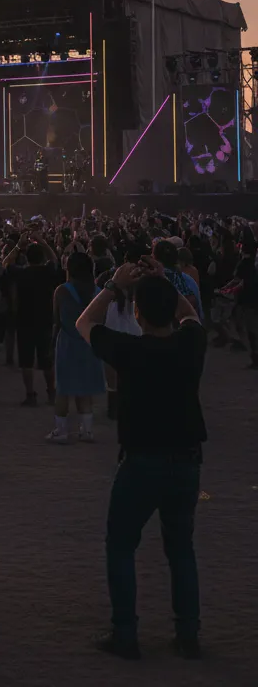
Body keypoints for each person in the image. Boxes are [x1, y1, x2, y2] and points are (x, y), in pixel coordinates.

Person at [76, 259, 206, 661]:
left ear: (137, 313)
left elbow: (84, 323)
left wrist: (114, 286)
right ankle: (188, 635)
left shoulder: (129, 349)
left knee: (120, 545)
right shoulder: (191, 343)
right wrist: (166, 278)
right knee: (181, 550)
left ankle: (125, 633)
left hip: (142, 460)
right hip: (185, 459)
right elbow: (191, 315)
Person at [46, 251, 106, 444]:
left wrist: (51, 343)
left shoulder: (62, 291)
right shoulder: (98, 292)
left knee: (63, 389)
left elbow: (56, 321)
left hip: (67, 341)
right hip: (90, 341)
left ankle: (61, 430)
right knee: (85, 388)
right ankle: (87, 430)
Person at [4, 235, 59, 406]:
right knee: (47, 360)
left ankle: (30, 395)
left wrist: (18, 246)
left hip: (24, 319)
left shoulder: (21, 272)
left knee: (26, 361)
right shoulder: (48, 271)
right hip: (44, 319)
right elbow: (54, 259)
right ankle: (51, 392)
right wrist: (43, 242)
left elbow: (5, 263)